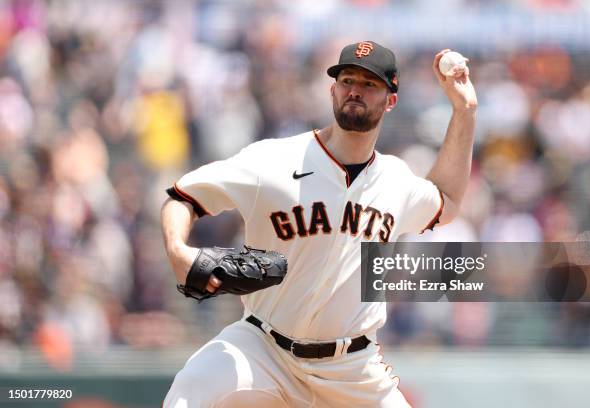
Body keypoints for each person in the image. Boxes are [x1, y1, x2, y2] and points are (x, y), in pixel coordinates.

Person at [161, 41, 477, 407]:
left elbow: (447, 201)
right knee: (187, 395)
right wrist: (177, 250)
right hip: (264, 348)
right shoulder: (273, 160)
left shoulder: (396, 180)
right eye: (347, 79)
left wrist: (465, 110)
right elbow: (182, 198)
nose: (355, 90)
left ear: (390, 100)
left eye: (370, 83)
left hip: (353, 368)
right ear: (333, 89)